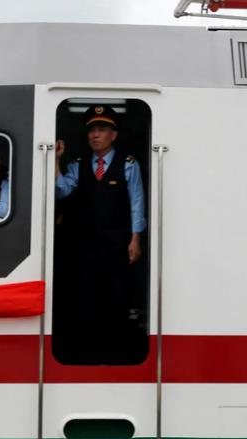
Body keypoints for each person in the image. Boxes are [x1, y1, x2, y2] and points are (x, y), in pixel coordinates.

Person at [52, 105, 146, 363]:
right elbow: (62, 191)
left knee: (116, 300)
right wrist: (56, 160)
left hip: (118, 244)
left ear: (113, 135)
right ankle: (86, 357)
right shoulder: (78, 164)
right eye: (92, 130)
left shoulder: (128, 164)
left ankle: (113, 357)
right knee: (85, 300)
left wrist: (136, 238)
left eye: (102, 130)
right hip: (84, 246)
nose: (95, 135)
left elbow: (137, 202)